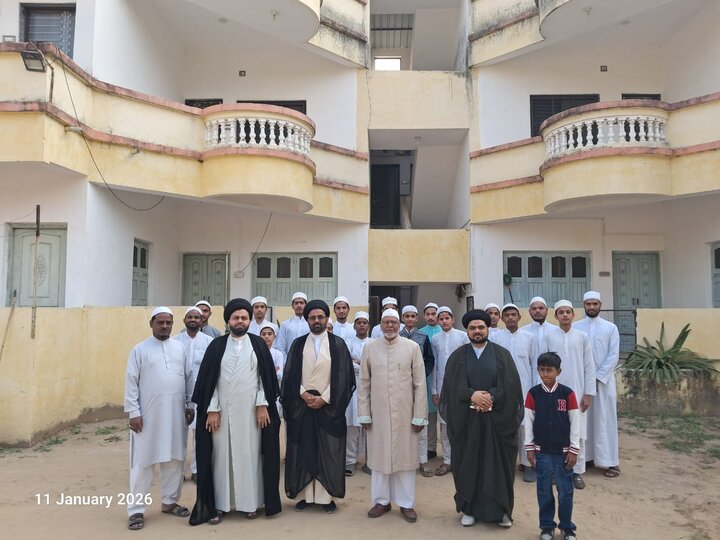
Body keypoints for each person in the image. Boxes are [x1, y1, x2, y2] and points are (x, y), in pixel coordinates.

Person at [189, 299, 282, 525]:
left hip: (251, 413)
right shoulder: (217, 346)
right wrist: (212, 409)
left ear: (249, 320)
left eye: (244, 318)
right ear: (228, 320)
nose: (240, 321)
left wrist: (262, 405)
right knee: (220, 458)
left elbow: (264, 379)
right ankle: (219, 505)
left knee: (250, 456)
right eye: (236, 318)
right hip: (221, 413)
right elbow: (209, 382)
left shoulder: (258, 344)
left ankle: (250, 504)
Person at [440, 309, 523, 529]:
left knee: (499, 466)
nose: (477, 331)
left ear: (488, 329)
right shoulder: (458, 356)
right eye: (472, 328)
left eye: (481, 327)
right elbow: (451, 386)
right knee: (468, 464)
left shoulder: (502, 355)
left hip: (497, 422)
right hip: (467, 422)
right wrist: (472, 395)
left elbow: (511, 386)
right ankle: (469, 509)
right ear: (467, 331)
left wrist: (490, 397)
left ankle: (502, 511)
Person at [124, 307, 195, 531]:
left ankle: (169, 502)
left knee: (175, 458)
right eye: (160, 322)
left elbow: (189, 377)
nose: (164, 326)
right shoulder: (139, 350)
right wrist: (133, 412)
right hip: (147, 417)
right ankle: (136, 510)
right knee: (143, 462)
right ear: (151, 324)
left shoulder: (180, 348)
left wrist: (190, 404)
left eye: (168, 323)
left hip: (176, 414)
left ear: (173, 324)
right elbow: (131, 382)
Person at [281, 299, 356, 513]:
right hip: (302, 406)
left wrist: (324, 398)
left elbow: (343, 377)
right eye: (312, 318)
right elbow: (290, 375)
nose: (316, 321)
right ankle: (306, 496)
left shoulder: (338, 344)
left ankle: (326, 498)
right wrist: (304, 394)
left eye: (320, 317)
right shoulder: (298, 344)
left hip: (328, 407)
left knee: (327, 450)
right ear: (307, 320)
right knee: (305, 449)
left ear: (326, 318)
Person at [359, 309, 428, 523]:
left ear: (399, 325)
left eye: (394, 322)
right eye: (386, 322)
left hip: (405, 414)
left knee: (405, 460)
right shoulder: (370, 347)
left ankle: (406, 504)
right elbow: (364, 383)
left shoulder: (412, 347)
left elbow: (420, 384)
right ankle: (381, 501)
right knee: (379, 460)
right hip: (378, 415)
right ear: (380, 325)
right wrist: (364, 414)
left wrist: (419, 415)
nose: (390, 326)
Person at [524, 352, 580, 540]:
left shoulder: (567, 394)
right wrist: (529, 448)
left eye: (550, 370)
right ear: (538, 370)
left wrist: (574, 449)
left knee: (565, 491)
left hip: (563, 452)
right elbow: (528, 422)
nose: (545, 374)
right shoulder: (533, 394)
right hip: (542, 452)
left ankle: (567, 528)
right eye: (542, 370)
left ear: (558, 371)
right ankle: (547, 527)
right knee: (544, 490)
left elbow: (575, 422)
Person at [544, 300, 596, 490]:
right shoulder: (549, 337)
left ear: (573, 315)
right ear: (556, 316)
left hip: (577, 392)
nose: (565, 315)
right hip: (553, 392)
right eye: (561, 312)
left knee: (577, 432)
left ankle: (577, 472)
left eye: (568, 312)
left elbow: (589, 366)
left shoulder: (582, 337)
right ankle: (556, 472)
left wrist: (588, 393)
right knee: (555, 431)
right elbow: (542, 366)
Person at [573, 291, 621, 479]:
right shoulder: (576, 327)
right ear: (584, 305)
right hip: (582, 383)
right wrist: (585, 379)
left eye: (595, 304)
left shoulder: (610, 328)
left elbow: (613, 355)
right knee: (584, 420)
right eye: (588, 304)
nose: (592, 307)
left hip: (604, 383)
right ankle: (587, 458)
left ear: (600, 305)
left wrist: (598, 377)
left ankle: (611, 461)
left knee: (605, 420)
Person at [495, 303, 538, 482]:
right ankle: (505, 464)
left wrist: (535, 390)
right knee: (503, 426)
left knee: (525, 428)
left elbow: (534, 365)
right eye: (507, 315)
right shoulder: (496, 338)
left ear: (519, 317)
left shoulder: (529, 338)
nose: (511, 318)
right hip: (502, 391)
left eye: (514, 314)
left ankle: (528, 465)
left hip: (525, 390)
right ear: (502, 318)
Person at [173, 306, 213, 482]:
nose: (193, 320)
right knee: (179, 433)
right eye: (190, 317)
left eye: (197, 317)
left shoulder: (209, 342)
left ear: (202, 320)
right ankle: (178, 471)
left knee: (199, 433)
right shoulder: (175, 341)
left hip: (201, 393)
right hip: (179, 392)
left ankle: (197, 470)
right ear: (184, 320)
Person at [431, 306, 469, 476]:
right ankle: (447, 460)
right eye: (441, 318)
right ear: (438, 321)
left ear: (453, 319)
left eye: (447, 318)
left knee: (461, 424)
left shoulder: (462, 336)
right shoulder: (435, 339)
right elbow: (435, 366)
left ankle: (461, 459)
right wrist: (434, 390)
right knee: (444, 425)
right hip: (442, 386)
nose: (444, 321)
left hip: (461, 386)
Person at [400, 305, 435, 477]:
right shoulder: (396, 335)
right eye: (407, 316)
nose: (410, 319)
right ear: (402, 318)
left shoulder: (423, 337)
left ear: (416, 318)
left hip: (419, 386)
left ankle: (422, 461)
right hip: (400, 387)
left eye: (412, 316)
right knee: (402, 423)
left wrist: (422, 375)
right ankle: (405, 461)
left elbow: (429, 359)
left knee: (421, 421)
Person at [345, 311, 371, 476]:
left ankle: (370, 461)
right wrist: (363, 364)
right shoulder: (348, 343)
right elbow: (346, 364)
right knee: (352, 425)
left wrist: (358, 362)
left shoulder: (374, 343)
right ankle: (350, 461)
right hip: (353, 387)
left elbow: (376, 364)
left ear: (369, 325)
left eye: (364, 322)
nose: (361, 325)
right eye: (359, 322)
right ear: (354, 326)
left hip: (371, 387)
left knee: (370, 426)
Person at [418, 302, 441, 460]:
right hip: (426, 378)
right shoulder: (420, 334)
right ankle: (430, 448)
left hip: (443, 377)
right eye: (428, 314)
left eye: (434, 314)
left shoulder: (444, 331)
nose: (431, 317)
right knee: (429, 415)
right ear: (424, 316)